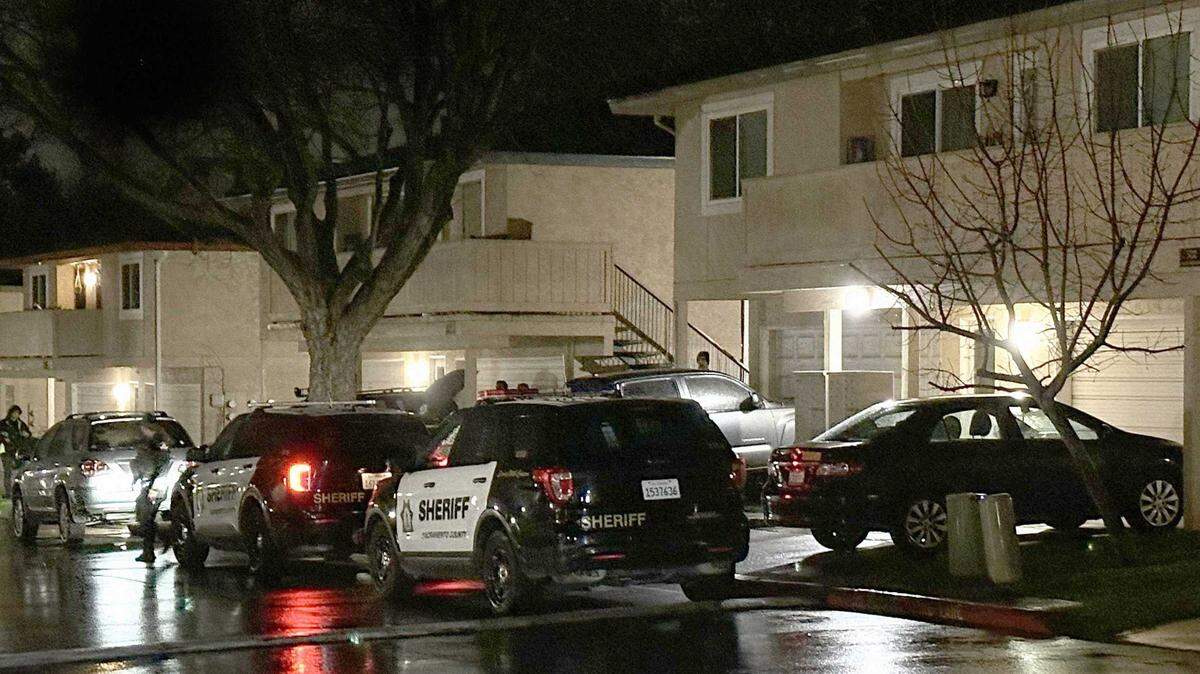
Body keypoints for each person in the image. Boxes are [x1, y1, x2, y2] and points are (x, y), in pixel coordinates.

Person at [131, 425, 171, 564]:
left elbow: (161, 467)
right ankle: (150, 549)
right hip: (149, 485)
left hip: (153, 487)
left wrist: (154, 488)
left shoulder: (157, 444)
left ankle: (152, 549)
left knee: (146, 518)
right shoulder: (147, 443)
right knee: (146, 518)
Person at [0, 406, 31, 499]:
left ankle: (18, 491)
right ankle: (8, 492)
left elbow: (28, 434)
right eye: (14, 412)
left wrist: (26, 435)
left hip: (18, 450)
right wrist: (4, 439)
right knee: (7, 471)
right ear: (11, 413)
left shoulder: (20, 424)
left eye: (18, 413)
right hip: (6, 450)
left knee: (20, 470)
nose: (16, 415)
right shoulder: (3, 423)